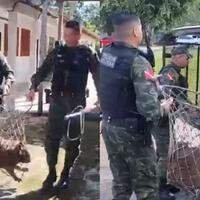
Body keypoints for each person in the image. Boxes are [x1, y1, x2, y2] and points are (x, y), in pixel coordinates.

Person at [99, 12, 170, 200]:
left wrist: (147, 82)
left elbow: (117, 83)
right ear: (134, 31)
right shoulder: (138, 61)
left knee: (121, 184)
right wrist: (165, 106)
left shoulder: (106, 53)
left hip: (109, 126)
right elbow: (150, 111)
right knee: (146, 188)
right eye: (141, 29)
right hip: (133, 134)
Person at [27, 20, 99, 191]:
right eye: (64, 34)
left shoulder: (87, 53)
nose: (66, 38)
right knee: (51, 140)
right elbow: (43, 70)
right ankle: (51, 173)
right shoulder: (57, 51)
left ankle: (65, 175)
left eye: (70, 35)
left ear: (78, 35)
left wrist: (102, 97)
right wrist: (33, 87)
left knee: (73, 140)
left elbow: (99, 75)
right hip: (57, 101)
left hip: (76, 103)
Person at [157, 46, 192, 199]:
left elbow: (179, 95)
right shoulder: (169, 72)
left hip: (172, 118)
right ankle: (160, 188)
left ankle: (169, 183)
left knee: (171, 152)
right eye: (186, 57)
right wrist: (183, 106)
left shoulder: (175, 73)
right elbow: (166, 92)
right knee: (164, 154)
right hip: (165, 120)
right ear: (177, 57)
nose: (188, 60)